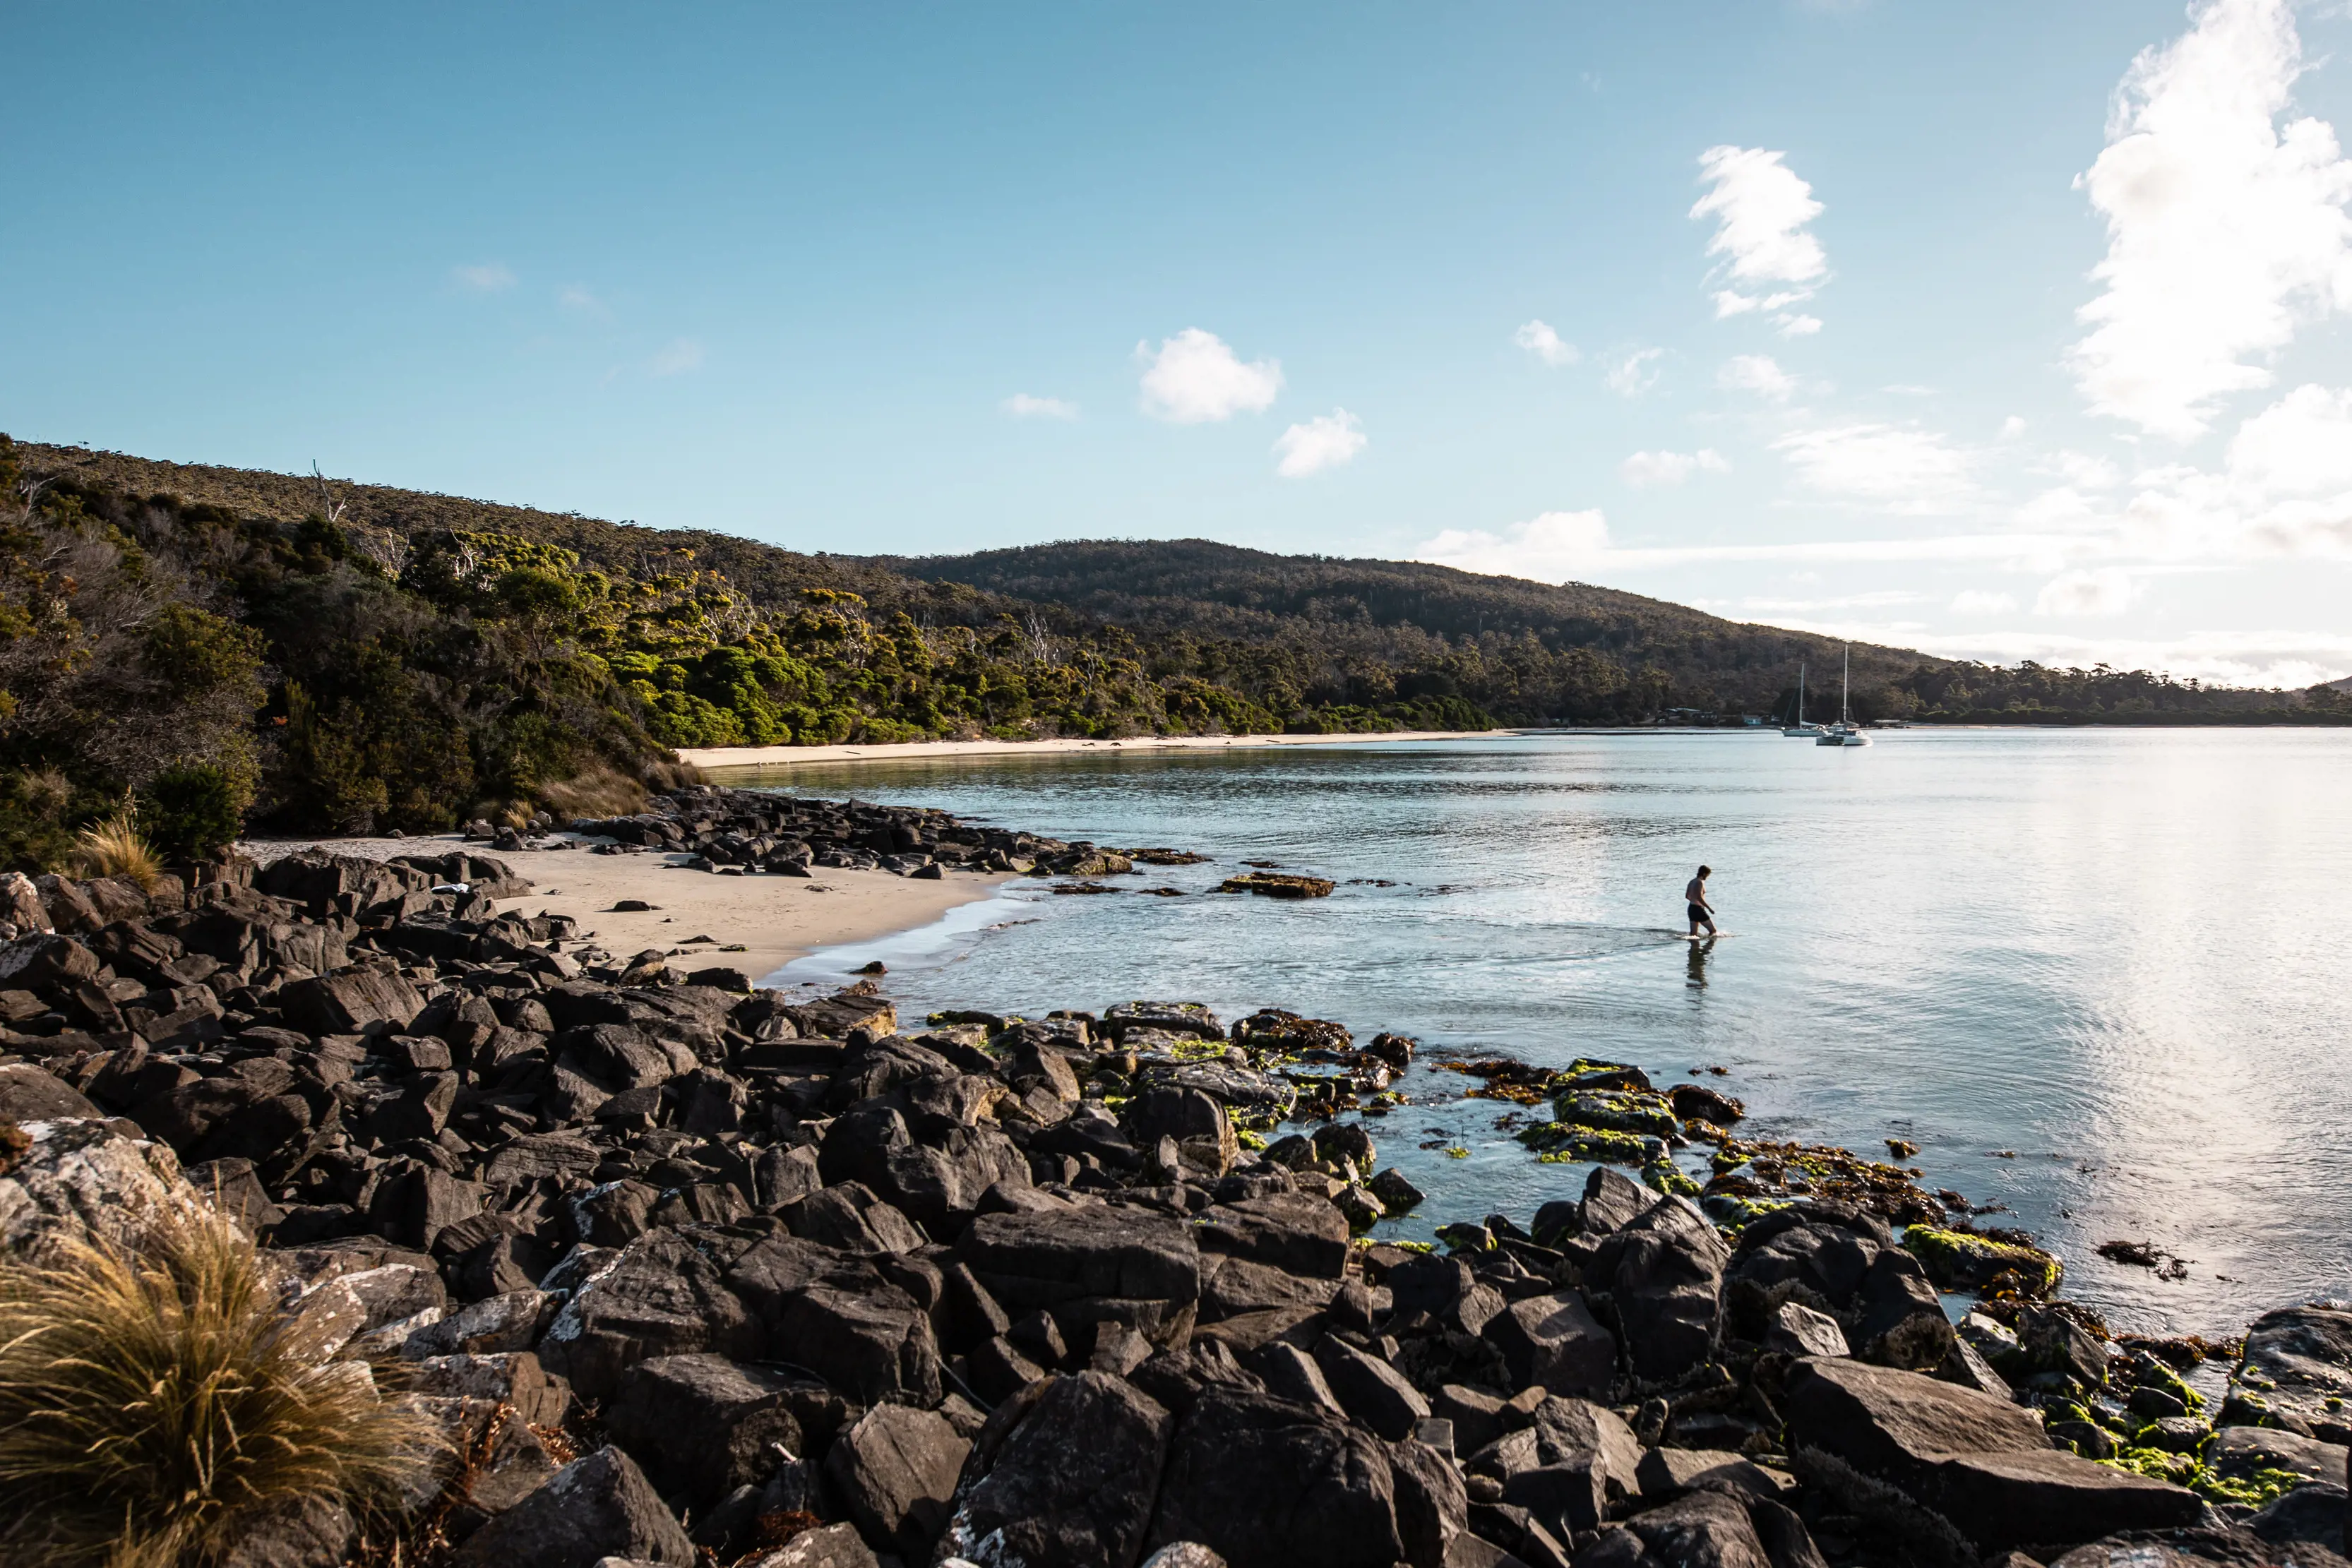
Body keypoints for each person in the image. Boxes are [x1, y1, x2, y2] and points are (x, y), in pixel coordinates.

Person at [1685, 865, 1718, 938]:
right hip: (1698, 909)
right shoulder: (1700, 882)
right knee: (1713, 931)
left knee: (1693, 935)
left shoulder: (1692, 881)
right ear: (1704, 874)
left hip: (1691, 909)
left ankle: (1695, 948)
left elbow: (1687, 896)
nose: (1707, 877)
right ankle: (1707, 948)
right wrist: (1709, 909)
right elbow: (1699, 898)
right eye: (1707, 875)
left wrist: (1694, 901)